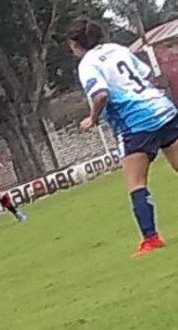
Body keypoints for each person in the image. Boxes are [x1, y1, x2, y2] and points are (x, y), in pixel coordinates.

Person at [69, 17, 178, 257]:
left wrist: (92, 119)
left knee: (136, 183)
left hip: (136, 124)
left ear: (76, 44)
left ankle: (150, 240)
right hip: (163, 109)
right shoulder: (117, 48)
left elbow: (100, 96)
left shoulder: (87, 64)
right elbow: (145, 73)